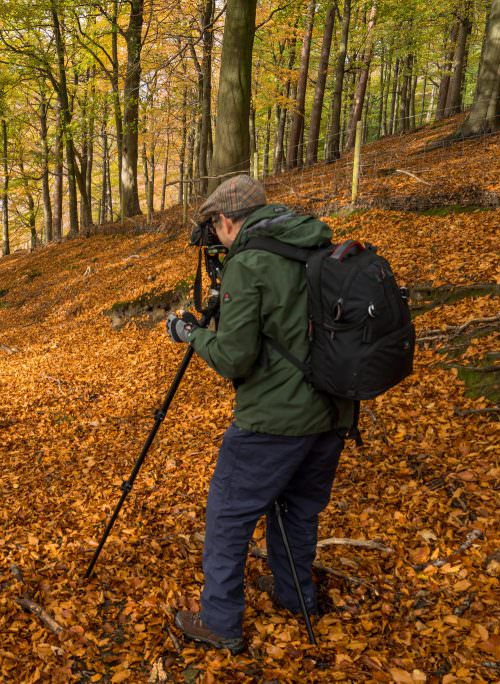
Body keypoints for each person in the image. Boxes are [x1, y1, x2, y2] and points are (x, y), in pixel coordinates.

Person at [164, 175, 353, 655]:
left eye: (215, 231)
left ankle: (221, 622)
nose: (215, 242)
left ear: (226, 220)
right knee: (298, 511)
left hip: (273, 421)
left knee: (228, 518)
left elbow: (234, 358)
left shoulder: (249, 263)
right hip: (332, 412)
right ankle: (296, 597)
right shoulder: (313, 241)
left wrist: (190, 333)